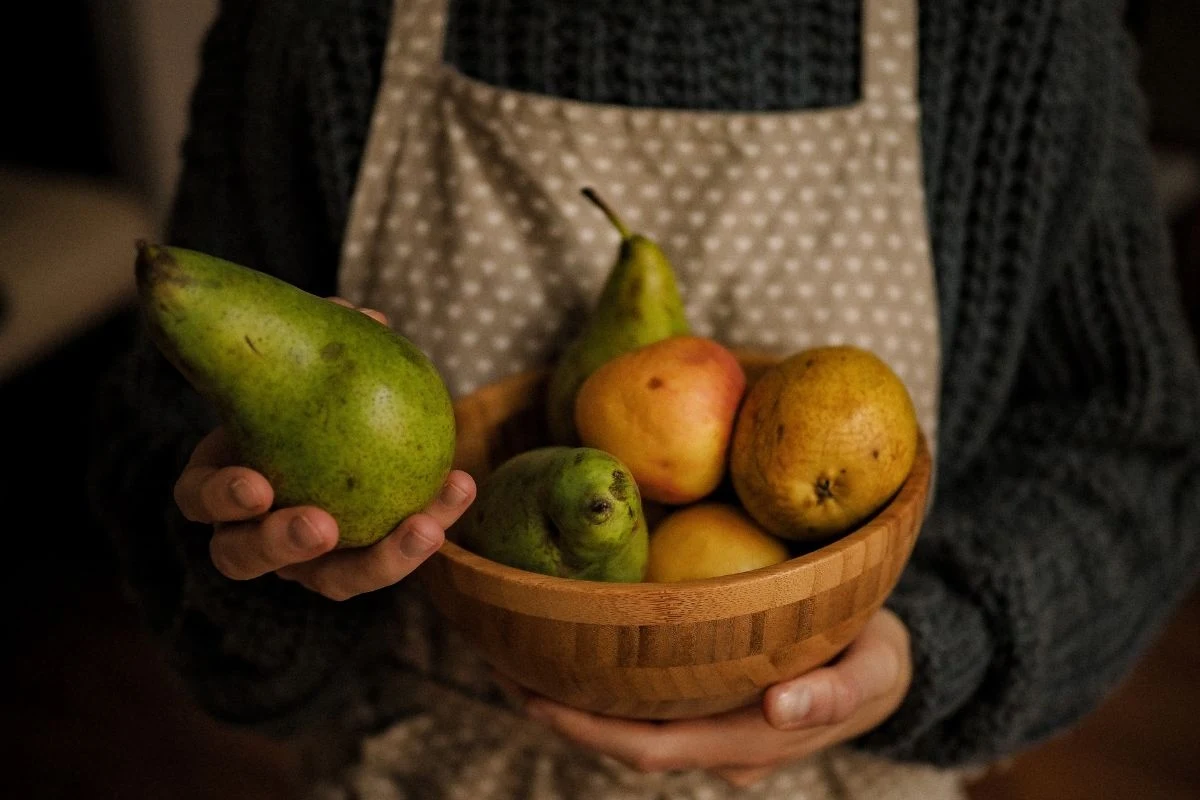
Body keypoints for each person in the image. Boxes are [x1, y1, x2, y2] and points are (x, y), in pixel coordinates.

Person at [89, 0, 1200, 797]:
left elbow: (1137, 451)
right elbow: (160, 448)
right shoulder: (315, 28)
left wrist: (930, 645)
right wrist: (261, 566)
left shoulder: (1011, 34)